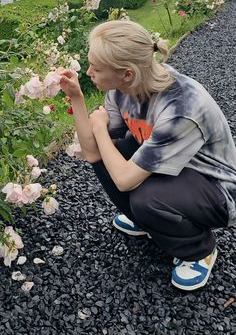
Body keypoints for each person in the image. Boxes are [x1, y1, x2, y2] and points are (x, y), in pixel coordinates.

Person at [59, 20, 236, 291]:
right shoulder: (122, 91)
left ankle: (198, 250)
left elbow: (124, 181)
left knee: (145, 198)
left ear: (127, 74)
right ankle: (150, 221)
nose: (89, 71)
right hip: (178, 171)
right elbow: (92, 151)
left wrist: (99, 127)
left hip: (217, 190)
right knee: (116, 150)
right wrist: (77, 98)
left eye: (96, 67)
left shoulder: (182, 107)